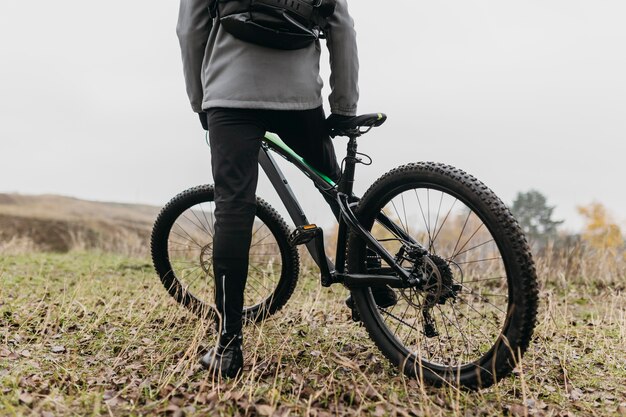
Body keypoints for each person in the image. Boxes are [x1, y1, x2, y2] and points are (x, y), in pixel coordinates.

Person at [176, 0, 393, 378]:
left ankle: (228, 346)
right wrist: (343, 106)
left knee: (233, 209)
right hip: (300, 98)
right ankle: (374, 280)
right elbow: (342, 28)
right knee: (335, 188)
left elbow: (190, 30)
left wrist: (201, 102)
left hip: (230, 96)